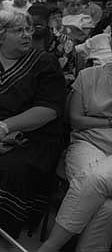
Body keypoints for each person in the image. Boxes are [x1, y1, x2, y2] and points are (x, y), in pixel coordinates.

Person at [0, 9, 66, 240]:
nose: (27, 35)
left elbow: (49, 109)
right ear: (0, 35)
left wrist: (4, 128)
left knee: (12, 167)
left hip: (32, 134)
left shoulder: (44, 62)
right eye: (19, 30)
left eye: (29, 29)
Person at [38, 64, 112, 252]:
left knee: (96, 179)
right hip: (88, 142)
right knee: (106, 205)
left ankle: (50, 246)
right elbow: (76, 119)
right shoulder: (88, 76)